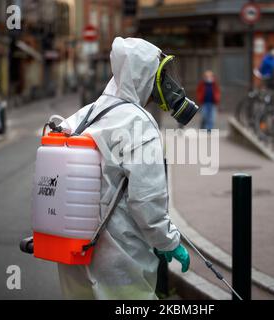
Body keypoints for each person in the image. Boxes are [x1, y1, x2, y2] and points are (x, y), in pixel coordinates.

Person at [57, 37, 191, 300]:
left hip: (72, 256)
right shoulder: (138, 123)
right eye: (159, 76)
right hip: (118, 263)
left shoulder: (85, 114)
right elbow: (147, 200)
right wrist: (169, 242)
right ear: (144, 76)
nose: (163, 85)